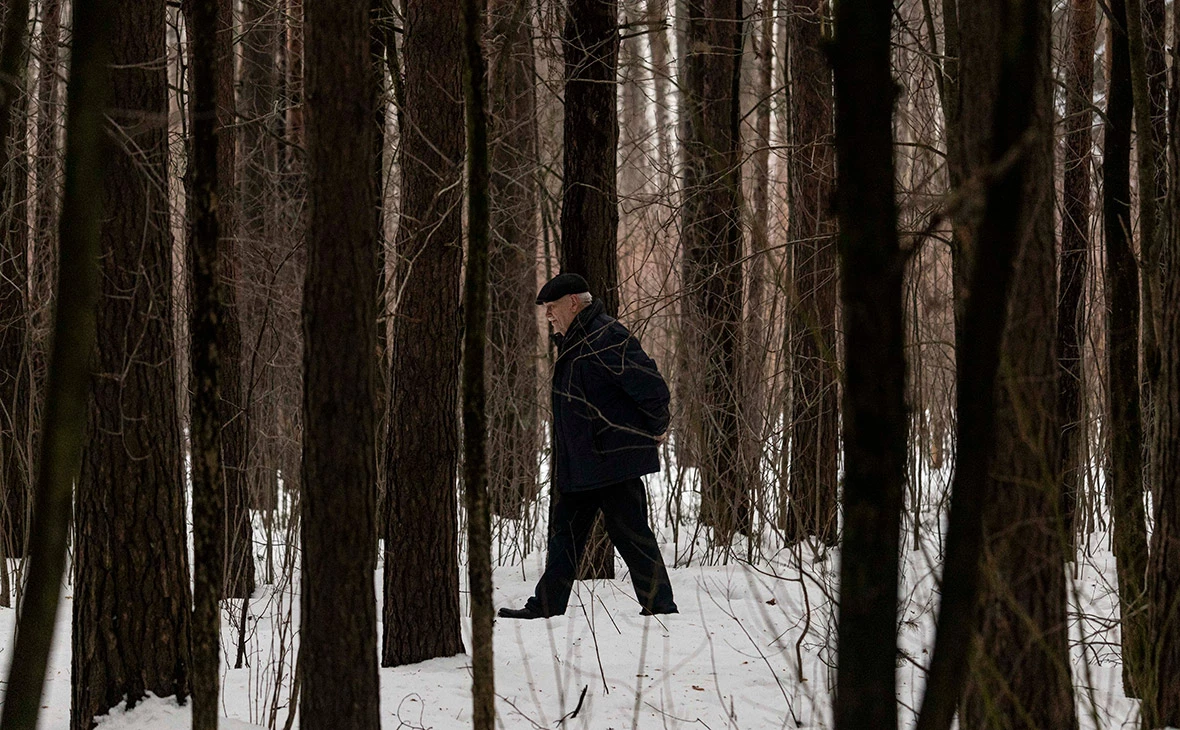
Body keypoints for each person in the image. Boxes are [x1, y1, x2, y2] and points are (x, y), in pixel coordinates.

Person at [498, 273, 678, 619]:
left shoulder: (607, 336)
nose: (548, 315)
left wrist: (656, 427)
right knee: (565, 534)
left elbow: (652, 387)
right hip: (583, 462)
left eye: (552, 308)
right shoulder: (578, 339)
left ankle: (661, 607)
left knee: (630, 533)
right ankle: (547, 606)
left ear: (573, 303)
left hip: (611, 460)